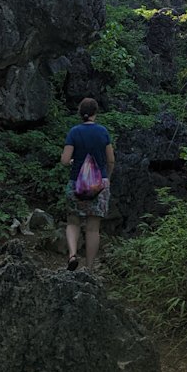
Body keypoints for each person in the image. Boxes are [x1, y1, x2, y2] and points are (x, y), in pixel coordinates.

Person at [61, 97, 115, 274]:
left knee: (73, 221)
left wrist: (72, 162)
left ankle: (72, 255)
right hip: (98, 185)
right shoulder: (103, 132)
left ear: (80, 112)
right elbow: (111, 160)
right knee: (93, 228)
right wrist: (107, 178)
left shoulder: (74, 132)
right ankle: (90, 269)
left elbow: (65, 160)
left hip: (76, 183)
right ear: (95, 112)